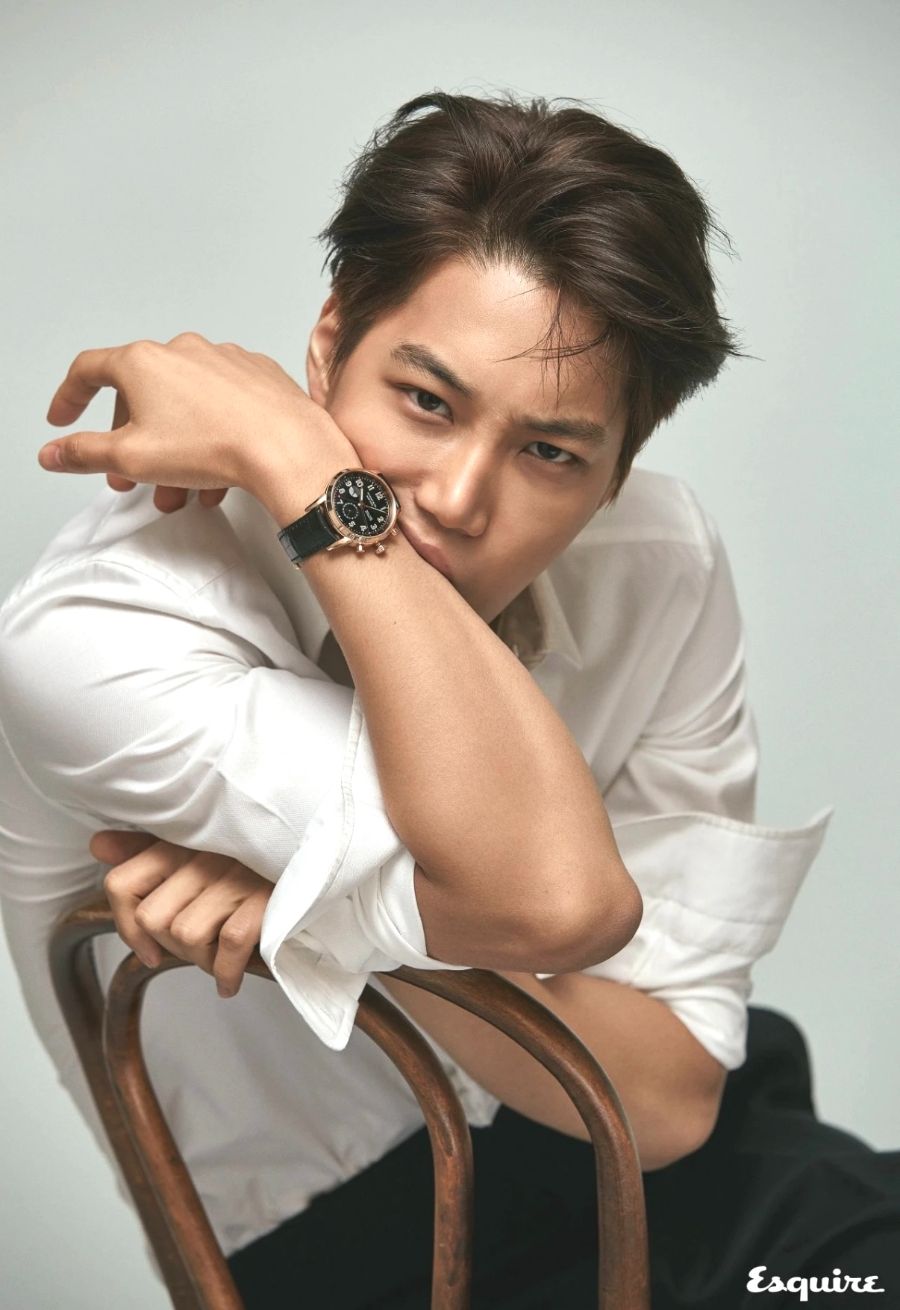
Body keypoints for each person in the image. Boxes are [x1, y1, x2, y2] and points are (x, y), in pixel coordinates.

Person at [0, 90, 896, 1309]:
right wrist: (307, 465)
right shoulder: (105, 631)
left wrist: (326, 915)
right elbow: (561, 901)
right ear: (325, 348)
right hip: (370, 1251)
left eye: (551, 452)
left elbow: (678, 1095)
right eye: (425, 400)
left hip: (717, 1182)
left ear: (618, 472)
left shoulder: (655, 558)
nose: (460, 498)